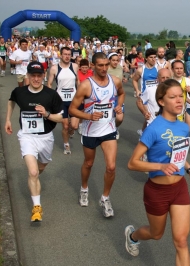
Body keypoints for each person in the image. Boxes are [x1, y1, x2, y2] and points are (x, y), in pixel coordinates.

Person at [125, 79, 190, 264]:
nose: (179, 101)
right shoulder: (153, 129)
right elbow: (132, 163)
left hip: (179, 188)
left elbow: (177, 155)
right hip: (157, 191)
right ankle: (133, 236)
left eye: (180, 96)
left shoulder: (183, 127)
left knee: (181, 241)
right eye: (172, 97)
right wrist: (160, 167)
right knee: (156, 233)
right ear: (161, 101)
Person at [5, 61, 63, 222]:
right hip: (27, 136)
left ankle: (35, 178)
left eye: (39, 76)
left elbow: (61, 117)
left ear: (44, 76)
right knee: (33, 172)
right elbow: (11, 101)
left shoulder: (51, 95)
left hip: (45, 137)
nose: (36, 79)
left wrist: (46, 114)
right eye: (33, 76)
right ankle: (37, 207)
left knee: (41, 167)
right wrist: (8, 120)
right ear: (28, 76)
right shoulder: (19, 92)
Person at [69, 52, 125, 218]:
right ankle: (84, 188)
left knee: (111, 166)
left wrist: (119, 106)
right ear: (93, 66)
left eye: (106, 65)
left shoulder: (115, 81)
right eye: (100, 65)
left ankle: (105, 198)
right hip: (90, 131)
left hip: (108, 129)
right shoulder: (86, 85)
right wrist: (88, 116)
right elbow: (72, 109)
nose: (104, 68)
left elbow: (121, 94)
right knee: (88, 163)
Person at [47, 47, 80, 154]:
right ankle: (66, 145)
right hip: (61, 101)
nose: (67, 56)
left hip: (73, 100)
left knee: (74, 126)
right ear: (60, 55)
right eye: (65, 54)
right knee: (65, 125)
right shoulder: (54, 68)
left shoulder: (75, 66)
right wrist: (51, 97)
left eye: (69, 54)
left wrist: (81, 95)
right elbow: (49, 84)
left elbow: (78, 81)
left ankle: (70, 131)